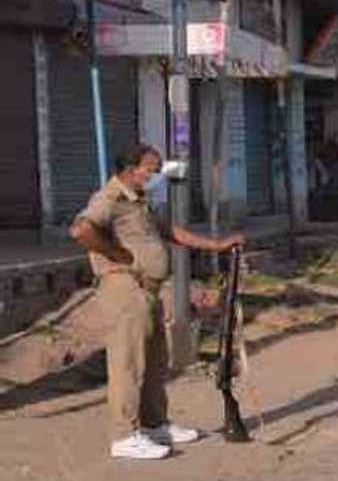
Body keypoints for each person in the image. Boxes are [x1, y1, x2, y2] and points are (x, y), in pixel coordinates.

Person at [69, 144, 244, 461]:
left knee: (153, 362)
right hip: (125, 288)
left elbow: (169, 231)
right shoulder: (110, 199)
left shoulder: (140, 201)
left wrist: (215, 245)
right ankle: (124, 436)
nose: (156, 176)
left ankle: (154, 424)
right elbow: (82, 230)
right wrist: (117, 254)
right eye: (151, 170)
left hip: (148, 291)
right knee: (128, 364)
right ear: (130, 170)